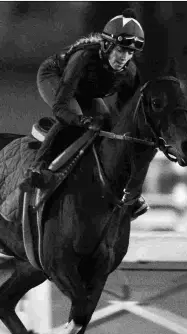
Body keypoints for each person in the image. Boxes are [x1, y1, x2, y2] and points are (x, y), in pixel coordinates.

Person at [22, 8, 150, 220]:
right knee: (73, 120)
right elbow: (61, 107)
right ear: (107, 44)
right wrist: (80, 119)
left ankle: (129, 196)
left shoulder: (130, 72)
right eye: (120, 50)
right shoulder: (83, 57)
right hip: (55, 77)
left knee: (108, 128)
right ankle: (38, 169)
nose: (124, 58)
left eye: (129, 52)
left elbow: (124, 119)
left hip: (86, 89)